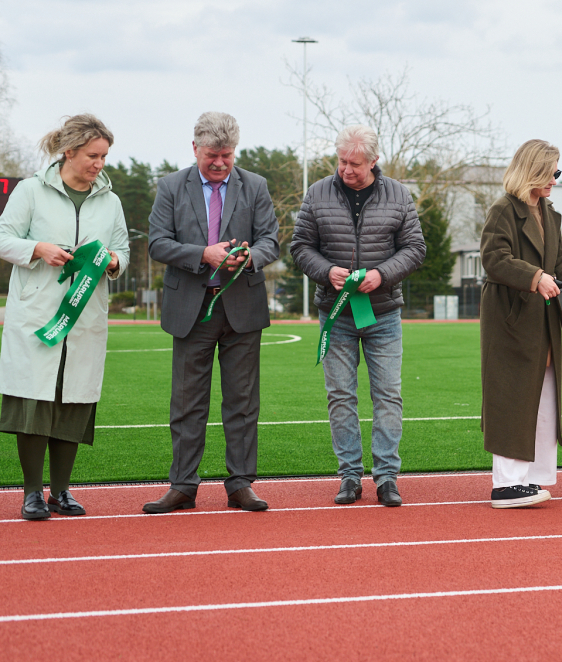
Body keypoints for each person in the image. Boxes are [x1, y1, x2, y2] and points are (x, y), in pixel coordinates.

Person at [0, 114, 129, 520]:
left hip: (85, 318)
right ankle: (32, 493)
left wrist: (112, 261)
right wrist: (38, 249)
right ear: (69, 151)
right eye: (92, 155)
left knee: (74, 401)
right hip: (38, 318)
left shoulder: (111, 200)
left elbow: (123, 250)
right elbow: (1, 238)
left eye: (104, 156)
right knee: (35, 404)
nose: (99, 164)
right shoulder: (30, 190)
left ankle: (62, 492)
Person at [142, 112, 279, 513]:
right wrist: (203, 254)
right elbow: (157, 243)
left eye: (227, 155)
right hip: (191, 309)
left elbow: (271, 239)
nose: (219, 163)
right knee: (187, 404)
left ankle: (240, 484)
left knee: (242, 402)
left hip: (242, 309)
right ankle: (183, 485)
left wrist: (250, 257)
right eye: (211, 155)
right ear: (195, 148)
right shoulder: (170, 186)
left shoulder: (255, 186)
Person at [291, 125, 426, 507]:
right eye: (341, 161)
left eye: (355, 163)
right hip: (335, 315)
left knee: (388, 396)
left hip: (383, 314)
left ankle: (386, 477)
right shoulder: (317, 192)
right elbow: (300, 246)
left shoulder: (399, 194)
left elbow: (415, 248)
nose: (346, 169)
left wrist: (382, 274)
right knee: (340, 397)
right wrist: (325, 271)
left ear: (374, 161)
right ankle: (349, 476)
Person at [480, 139, 562, 508]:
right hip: (511, 319)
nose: (556, 179)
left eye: (557, 172)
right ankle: (506, 484)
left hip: (542, 319)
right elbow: (494, 259)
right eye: (551, 172)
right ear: (534, 171)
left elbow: (558, 263)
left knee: (542, 398)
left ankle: (532, 478)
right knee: (512, 397)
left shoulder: (548, 212)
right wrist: (535, 276)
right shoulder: (503, 209)